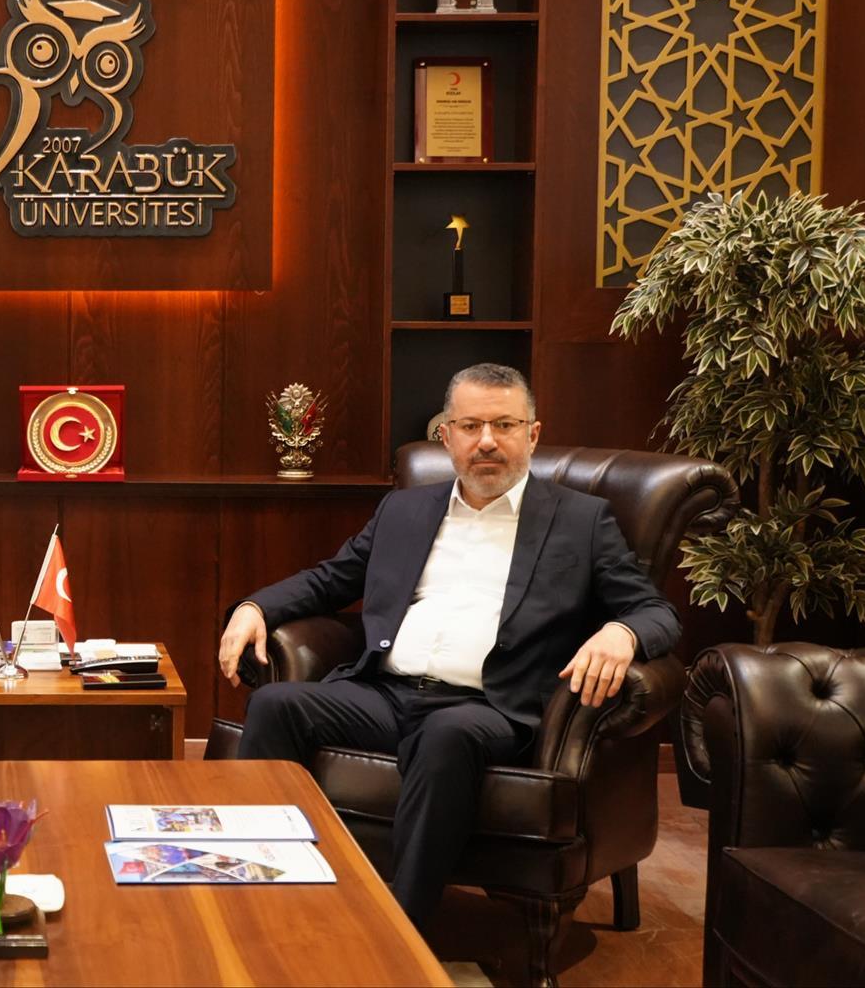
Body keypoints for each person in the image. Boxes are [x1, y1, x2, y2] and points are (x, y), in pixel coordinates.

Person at [217, 362, 678, 925]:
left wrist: (622, 631)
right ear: (447, 435)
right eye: (470, 426)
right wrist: (255, 607)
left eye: (504, 425)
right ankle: (258, 894)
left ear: (532, 434)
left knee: (446, 734)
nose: (487, 441)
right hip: (385, 694)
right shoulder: (405, 509)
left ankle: (401, 928)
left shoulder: (580, 521)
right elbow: (330, 579)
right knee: (276, 703)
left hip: (490, 706)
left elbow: (655, 611)